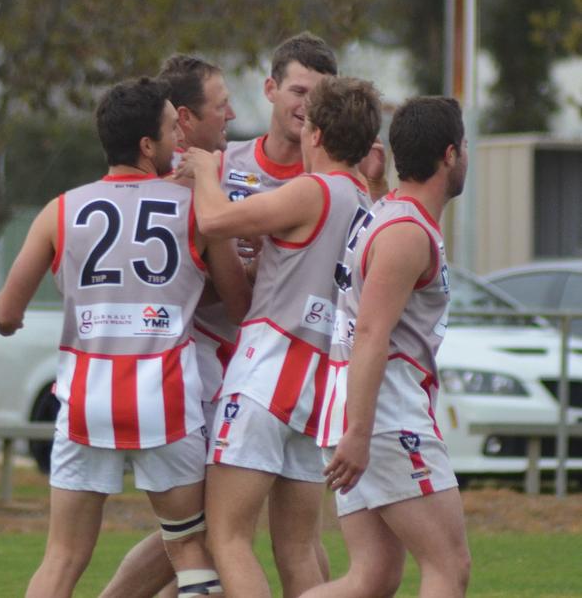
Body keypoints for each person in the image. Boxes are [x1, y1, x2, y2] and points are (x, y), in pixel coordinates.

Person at [0, 75, 251, 598]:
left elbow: (3, 313)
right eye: (171, 131)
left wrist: (19, 320)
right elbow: (239, 302)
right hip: (166, 399)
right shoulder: (196, 208)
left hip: (87, 400)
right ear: (146, 145)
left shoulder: (60, 210)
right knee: (189, 548)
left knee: (62, 559)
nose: (181, 141)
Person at [177, 75, 383, 598]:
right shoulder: (365, 201)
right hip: (316, 382)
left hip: (268, 370)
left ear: (315, 134)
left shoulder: (314, 189)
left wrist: (205, 168)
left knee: (227, 537)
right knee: (296, 548)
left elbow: (217, 218)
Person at [306, 96, 471, 598]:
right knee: (448, 565)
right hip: (384, 414)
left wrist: (377, 184)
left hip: (360, 410)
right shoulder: (405, 232)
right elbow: (372, 334)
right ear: (448, 154)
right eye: (464, 147)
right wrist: (359, 432)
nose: (466, 156)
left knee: (372, 578)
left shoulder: (389, 212)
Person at [99, 54, 236, 598]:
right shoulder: (185, 187)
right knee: (201, 531)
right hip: (179, 377)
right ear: (181, 120)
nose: (231, 114)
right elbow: (240, 298)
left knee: (193, 531)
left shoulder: (88, 200)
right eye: (221, 105)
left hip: (119, 381)